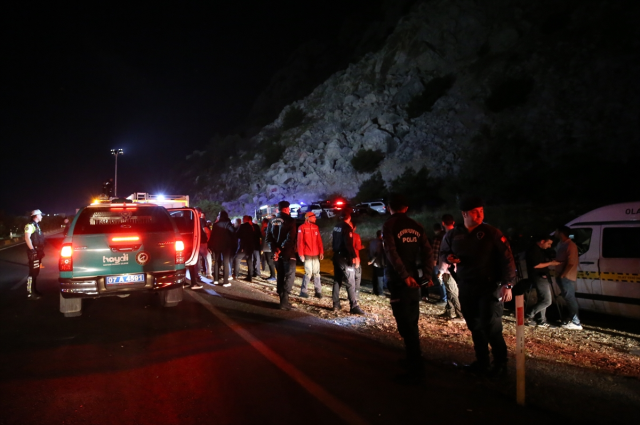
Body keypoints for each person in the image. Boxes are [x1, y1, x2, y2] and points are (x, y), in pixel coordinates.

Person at [439, 196, 516, 378]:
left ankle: (501, 365)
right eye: (475, 211)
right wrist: (449, 258)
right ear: (465, 213)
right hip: (466, 286)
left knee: (491, 327)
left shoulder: (491, 233)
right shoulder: (453, 234)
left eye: (481, 211)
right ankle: (482, 362)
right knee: (474, 326)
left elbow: (508, 259)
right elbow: (444, 252)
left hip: (490, 287)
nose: (480, 214)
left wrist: (508, 284)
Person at [382, 194, 433, 383]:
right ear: (406, 208)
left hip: (400, 280)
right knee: (412, 319)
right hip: (415, 279)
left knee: (405, 324)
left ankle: (416, 370)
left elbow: (391, 252)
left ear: (389, 208)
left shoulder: (389, 225)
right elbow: (428, 252)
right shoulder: (417, 226)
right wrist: (426, 276)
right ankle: (412, 359)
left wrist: (404, 276)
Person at [266, 201, 297, 310]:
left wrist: (276, 250)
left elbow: (268, 238)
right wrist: (281, 248)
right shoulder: (290, 220)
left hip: (276, 254)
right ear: (286, 209)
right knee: (289, 276)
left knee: (280, 276)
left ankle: (282, 301)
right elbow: (290, 238)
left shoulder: (271, 221)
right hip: (288, 253)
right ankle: (284, 301)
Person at [331, 211, 364, 314]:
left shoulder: (336, 226)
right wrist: (353, 256)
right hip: (344, 257)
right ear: (349, 217)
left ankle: (336, 304)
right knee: (351, 281)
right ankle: (354, 306)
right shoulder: (347, 228)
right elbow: (348, 244)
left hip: (336, 255)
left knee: (337, 280)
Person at [436, 214, 464, 323]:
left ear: (443, 223)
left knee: (452, 292)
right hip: (457, 268)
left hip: (449, 269)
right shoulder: (460, 234)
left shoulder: (447, 236)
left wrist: (441, 271)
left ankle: (460, 315)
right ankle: (449, 310)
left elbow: (445, 255)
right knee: (450, 291)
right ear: (453, 222)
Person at [554, 226, 582, 330]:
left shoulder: (570, 245)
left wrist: (563, 274)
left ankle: (576, 322)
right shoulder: (562, 244)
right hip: (562, 276)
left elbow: (571, 263)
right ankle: (572, 319)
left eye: (557, 231)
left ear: (561, 233)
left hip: (566, 277)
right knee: (568, 298)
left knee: (570, 299)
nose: (555, 233)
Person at [524, 235, 556, 327]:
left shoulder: (539, 250)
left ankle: (541, 320)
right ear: (542, 241)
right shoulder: (533, 250)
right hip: (539, 277)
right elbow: (535, 265)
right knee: (547, 300)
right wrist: (551, 263)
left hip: (542, 277)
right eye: (548, 243)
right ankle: (528, 315)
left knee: (543, 299)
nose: (549, 246)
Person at [297, 212, 324, 298]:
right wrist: (301, 254)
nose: (315, 218)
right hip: (307, 254)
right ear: (308, 218)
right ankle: (303, 291)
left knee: (316, 273)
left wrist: (321, 252)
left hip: (315, 254)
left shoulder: (316, 227)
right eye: (314, 217)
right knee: (308, 273)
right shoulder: (301, 228)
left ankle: (318, 292)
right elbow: (300, 242)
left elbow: (319, 241)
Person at [209, 210, 235, 287]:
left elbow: (212, 235)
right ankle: (225, 281)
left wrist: (210, 245)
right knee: (225, 262)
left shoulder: (215, 224)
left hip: (217, 245)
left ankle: (216, 280)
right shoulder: (228, 224)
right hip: (226, 246)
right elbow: (233, 232)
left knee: (217, 262)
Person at [25, 209, 45, 299]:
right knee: (32, 273)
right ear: (36, 216)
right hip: (34, 252)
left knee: (36, 272)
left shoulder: (37, 225)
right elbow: (27, 238)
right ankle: (30, 293)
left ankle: (34, 290)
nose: (42, 216)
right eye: (40, 215)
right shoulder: (30, 225)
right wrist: (32, 250)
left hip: (38, 252)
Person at [427, 223, 447, 307]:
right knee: (446, 280)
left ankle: (444, 299)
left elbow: (435, 251)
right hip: (447, 262)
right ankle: (447, 297)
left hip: (439, 263)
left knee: (440, 281)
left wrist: (433, 262)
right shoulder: (446, 235)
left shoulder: (437, 238)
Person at [234, 216, 256, 282]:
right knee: (249, 261)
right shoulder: (252, 227)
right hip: (251, 246)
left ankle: (236, 274)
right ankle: (250, 276)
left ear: (244, 220)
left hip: (243, 246)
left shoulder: (242, 226)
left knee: (237, 258)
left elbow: (237, 234)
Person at [368, 230, 385, 296]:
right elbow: (377, 253)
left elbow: (369, 251)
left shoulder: (372, 242)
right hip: (379, 262)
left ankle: (375, 290)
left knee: (374, 277)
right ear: (381, 235)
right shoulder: (380, 243)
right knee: (380, 278)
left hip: (373, 262)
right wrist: (372, 260)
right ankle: (380, 292)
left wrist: (370, 260)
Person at [352, 224, 364, 297]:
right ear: (354, 227)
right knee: (357, 277)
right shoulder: (356, 236)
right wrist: (362, 247)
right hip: (355, 259)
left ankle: (350, 295)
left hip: (347, 260)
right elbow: (358, 247)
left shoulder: (345, 235)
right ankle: (356, 295)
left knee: (350, 278)